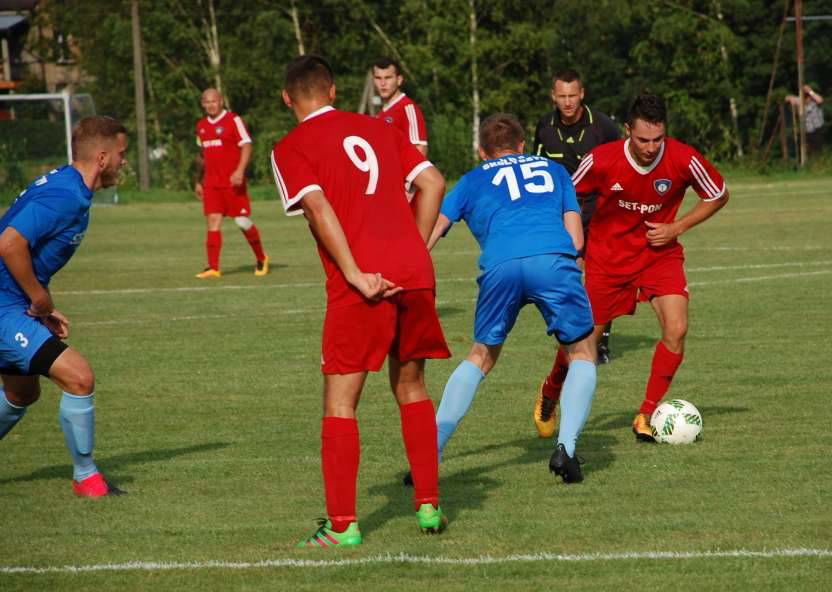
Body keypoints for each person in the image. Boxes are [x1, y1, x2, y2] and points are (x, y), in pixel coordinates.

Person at [271, 55, 450, 547]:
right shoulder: (380, 127)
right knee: (411, 386)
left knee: (341, 401)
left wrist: (355, 273)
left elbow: (318, 206)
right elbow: (433, 183)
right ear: (332, 91)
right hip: (414, 273)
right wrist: (412, 249)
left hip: (361, 284)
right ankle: (429, 506)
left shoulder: (290, 147)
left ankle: (344, 526)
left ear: (288, 98)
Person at [544, 94, 729, 443]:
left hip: (660, 255)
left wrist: (678, 227)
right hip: (607, 260)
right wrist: (571, 244)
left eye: (658, 139)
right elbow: (563, 195)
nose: (650, 147)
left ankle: (646, 412)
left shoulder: (684, 158)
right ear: (628, 130)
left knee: (677, 328)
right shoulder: (601, 159)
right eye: (643, 139)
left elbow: (718, 193)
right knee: (583, 345)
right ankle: (551, 390)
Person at [426, 113, 597, 484]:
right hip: (552, 259)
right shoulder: (554, 172)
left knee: (480, 356)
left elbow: (435, 227)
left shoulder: (472, 180)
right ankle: (566, 450)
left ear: (482, 151)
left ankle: (431, 452)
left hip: (500, 264)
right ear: (523, 146)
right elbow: (577, 239)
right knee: (582, 351)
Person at [0, 115, 129, 497]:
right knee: (79, 377)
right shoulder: (66, 195)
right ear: (103, 157)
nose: (124, 162)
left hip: (14, 303)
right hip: (4, 307)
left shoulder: (68, 186)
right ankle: (88, 479)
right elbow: (9, 243)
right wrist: (39, 297)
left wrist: (38, 302)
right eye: (122, 154)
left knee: (21, 394)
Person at [532, 69, 620, 439]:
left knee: (604, 284)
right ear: (553, 96)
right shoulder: (544, 128)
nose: (568, 103)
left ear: (582, 94)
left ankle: (598, 337)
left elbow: (623, 160)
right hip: (562, 218)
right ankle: (570, 357)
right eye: (561, 96)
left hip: (602, 217)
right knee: (573, 286)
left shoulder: (603, 126)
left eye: (573, 96)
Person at [194, 88, 268, 279]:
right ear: (202, 104)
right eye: (207, 102)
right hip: (211, 183)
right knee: (213, 221)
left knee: (242, 222)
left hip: (233, 182)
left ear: (221, 101)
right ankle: (213, 267)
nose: (211, 105)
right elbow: (202, 157)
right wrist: (198, 181)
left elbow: (247, 144)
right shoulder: (201, 126)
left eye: (214, 101)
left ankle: (261, 258)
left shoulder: (233, 120)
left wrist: (240, 171)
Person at [372, 57, 428, 156]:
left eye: (388, 78)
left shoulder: (408, 108)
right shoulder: (381, 114)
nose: (383, 83)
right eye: (378, 78)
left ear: (399, 80)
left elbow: (420, 149)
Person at [785, 84, 825, 154]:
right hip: (806, 129)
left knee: (817, 149)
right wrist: (790, 98)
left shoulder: (814, 99)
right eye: (804, 93)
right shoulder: (799, 100)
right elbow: (787, 98)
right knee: (806, 149)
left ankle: (818, 160)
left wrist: (810, 91)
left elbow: (820, 100)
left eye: (807, 93)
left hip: (817, 128)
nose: (806, 96)